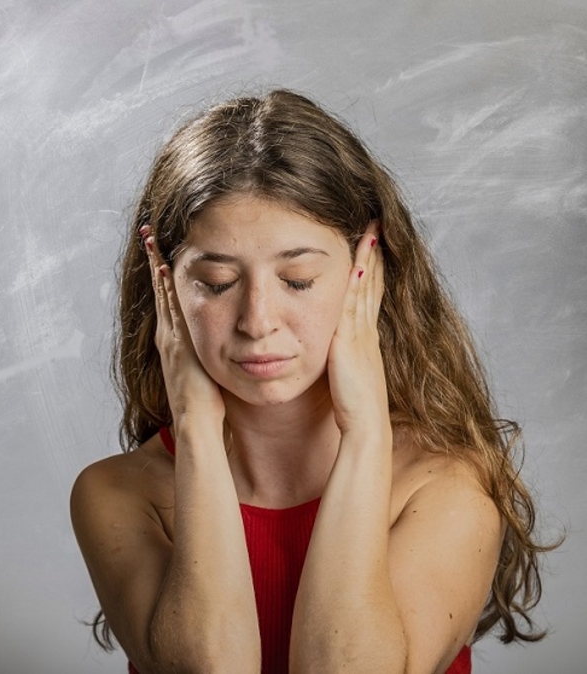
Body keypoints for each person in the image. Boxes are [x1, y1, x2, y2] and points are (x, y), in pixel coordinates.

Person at [70, 89, 551, 674]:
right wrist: (196, 429)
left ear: (366, 275)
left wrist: (366, 433)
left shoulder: (447, 484)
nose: (257, 320)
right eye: (218, 282)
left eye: (297, 279)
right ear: (166, 288)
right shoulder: (115, 494)